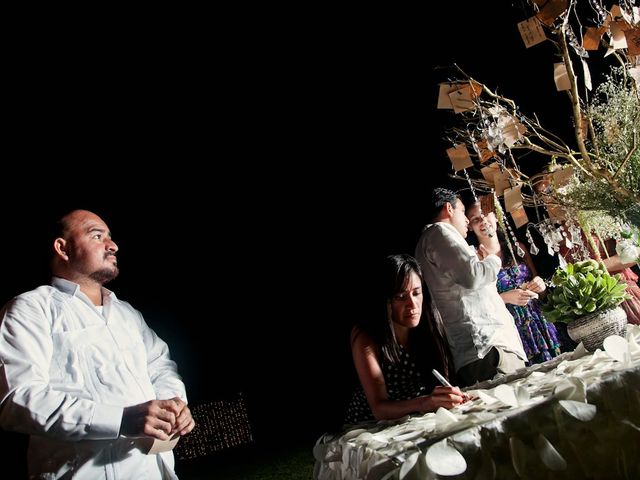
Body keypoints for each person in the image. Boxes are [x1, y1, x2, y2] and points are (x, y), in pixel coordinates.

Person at [0, 209, 195, 479]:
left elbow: (160, 365)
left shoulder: (127, 314)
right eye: (97, 235)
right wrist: (121, 419)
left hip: (154, 470)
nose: (112, 245)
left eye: (110, 237)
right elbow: (19, 400)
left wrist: (174, 403)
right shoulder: (31, 309)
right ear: (63, 248)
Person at [414, 188, 526, 387]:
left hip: (491, 346)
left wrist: (483, 264)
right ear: (449, 208)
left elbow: (472, 283)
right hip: (486, 348)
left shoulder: (437, 238)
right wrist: (492, 258)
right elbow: (472, 277)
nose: (466, 220)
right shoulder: (439, 232)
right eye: (463, 212)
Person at [344, 254, 468, 424]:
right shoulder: (367, 336)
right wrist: (425, 402)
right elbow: (379, 408)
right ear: (385, 300)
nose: (412, 304)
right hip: (369, 426)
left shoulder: (427, 324)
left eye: (416, 293)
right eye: (401, 297)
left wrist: (447, 397)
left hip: (414, 419)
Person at [466, 201, 561, 363]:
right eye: (476, 219)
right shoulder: (474, 259)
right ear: (470, 227)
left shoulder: (518, 248)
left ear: (495, 216)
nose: (483, 222)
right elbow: (477, 305)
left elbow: (542, 292)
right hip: (510, 329)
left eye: (485, 215)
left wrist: (540, 285)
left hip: (539, 322)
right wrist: (505, 297)